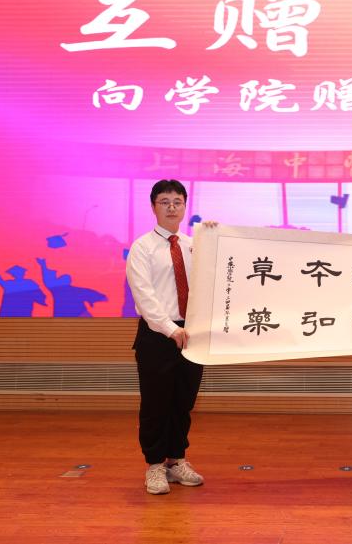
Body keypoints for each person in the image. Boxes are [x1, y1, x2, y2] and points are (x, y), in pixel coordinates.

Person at [126, 179, 207, 495]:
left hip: (192, 334)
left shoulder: (194, 245)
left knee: (183, 401)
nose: (172, 207)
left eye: (177, 201)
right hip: (158, 335)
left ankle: (177, 460)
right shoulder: (142, 247)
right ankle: (155, 465)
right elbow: (144, 295)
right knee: (156, 402)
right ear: (153, 207)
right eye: (164, 201)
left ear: (185, 206)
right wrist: (171, 329)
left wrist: (214, 238)